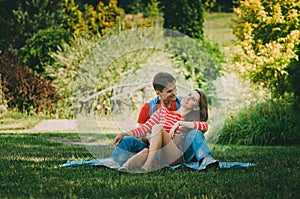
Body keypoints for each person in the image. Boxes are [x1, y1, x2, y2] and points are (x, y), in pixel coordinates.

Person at [118, 89, 209, 171]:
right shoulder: (163, 111)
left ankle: (148, 165)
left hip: (174, 155)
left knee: (158, 127)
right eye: (189, 94)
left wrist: (180, 123)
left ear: (196, 107)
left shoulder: (189, 121)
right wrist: (124, 134)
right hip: (158, 153)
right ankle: (125, 167)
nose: (188, 98)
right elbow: (143, 129)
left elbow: (204, 126)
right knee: (145, 151)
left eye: (193, 99)